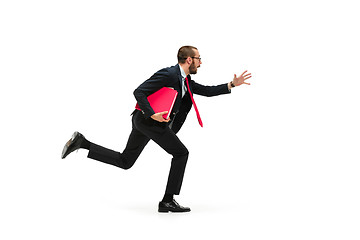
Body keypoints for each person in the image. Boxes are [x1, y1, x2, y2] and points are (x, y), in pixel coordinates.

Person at [61, 46, 252, 213]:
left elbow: (207, 91)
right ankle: (167, 201)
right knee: (181, 153)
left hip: (143, 122)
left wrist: (231, 85)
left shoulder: (185, 80)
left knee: (125, 161)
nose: (200, 63)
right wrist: (152, 114)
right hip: (150, 122)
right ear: (189, 60)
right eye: (199, 58)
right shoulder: (169, 74)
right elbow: (139, 91)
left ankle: (83, 143)